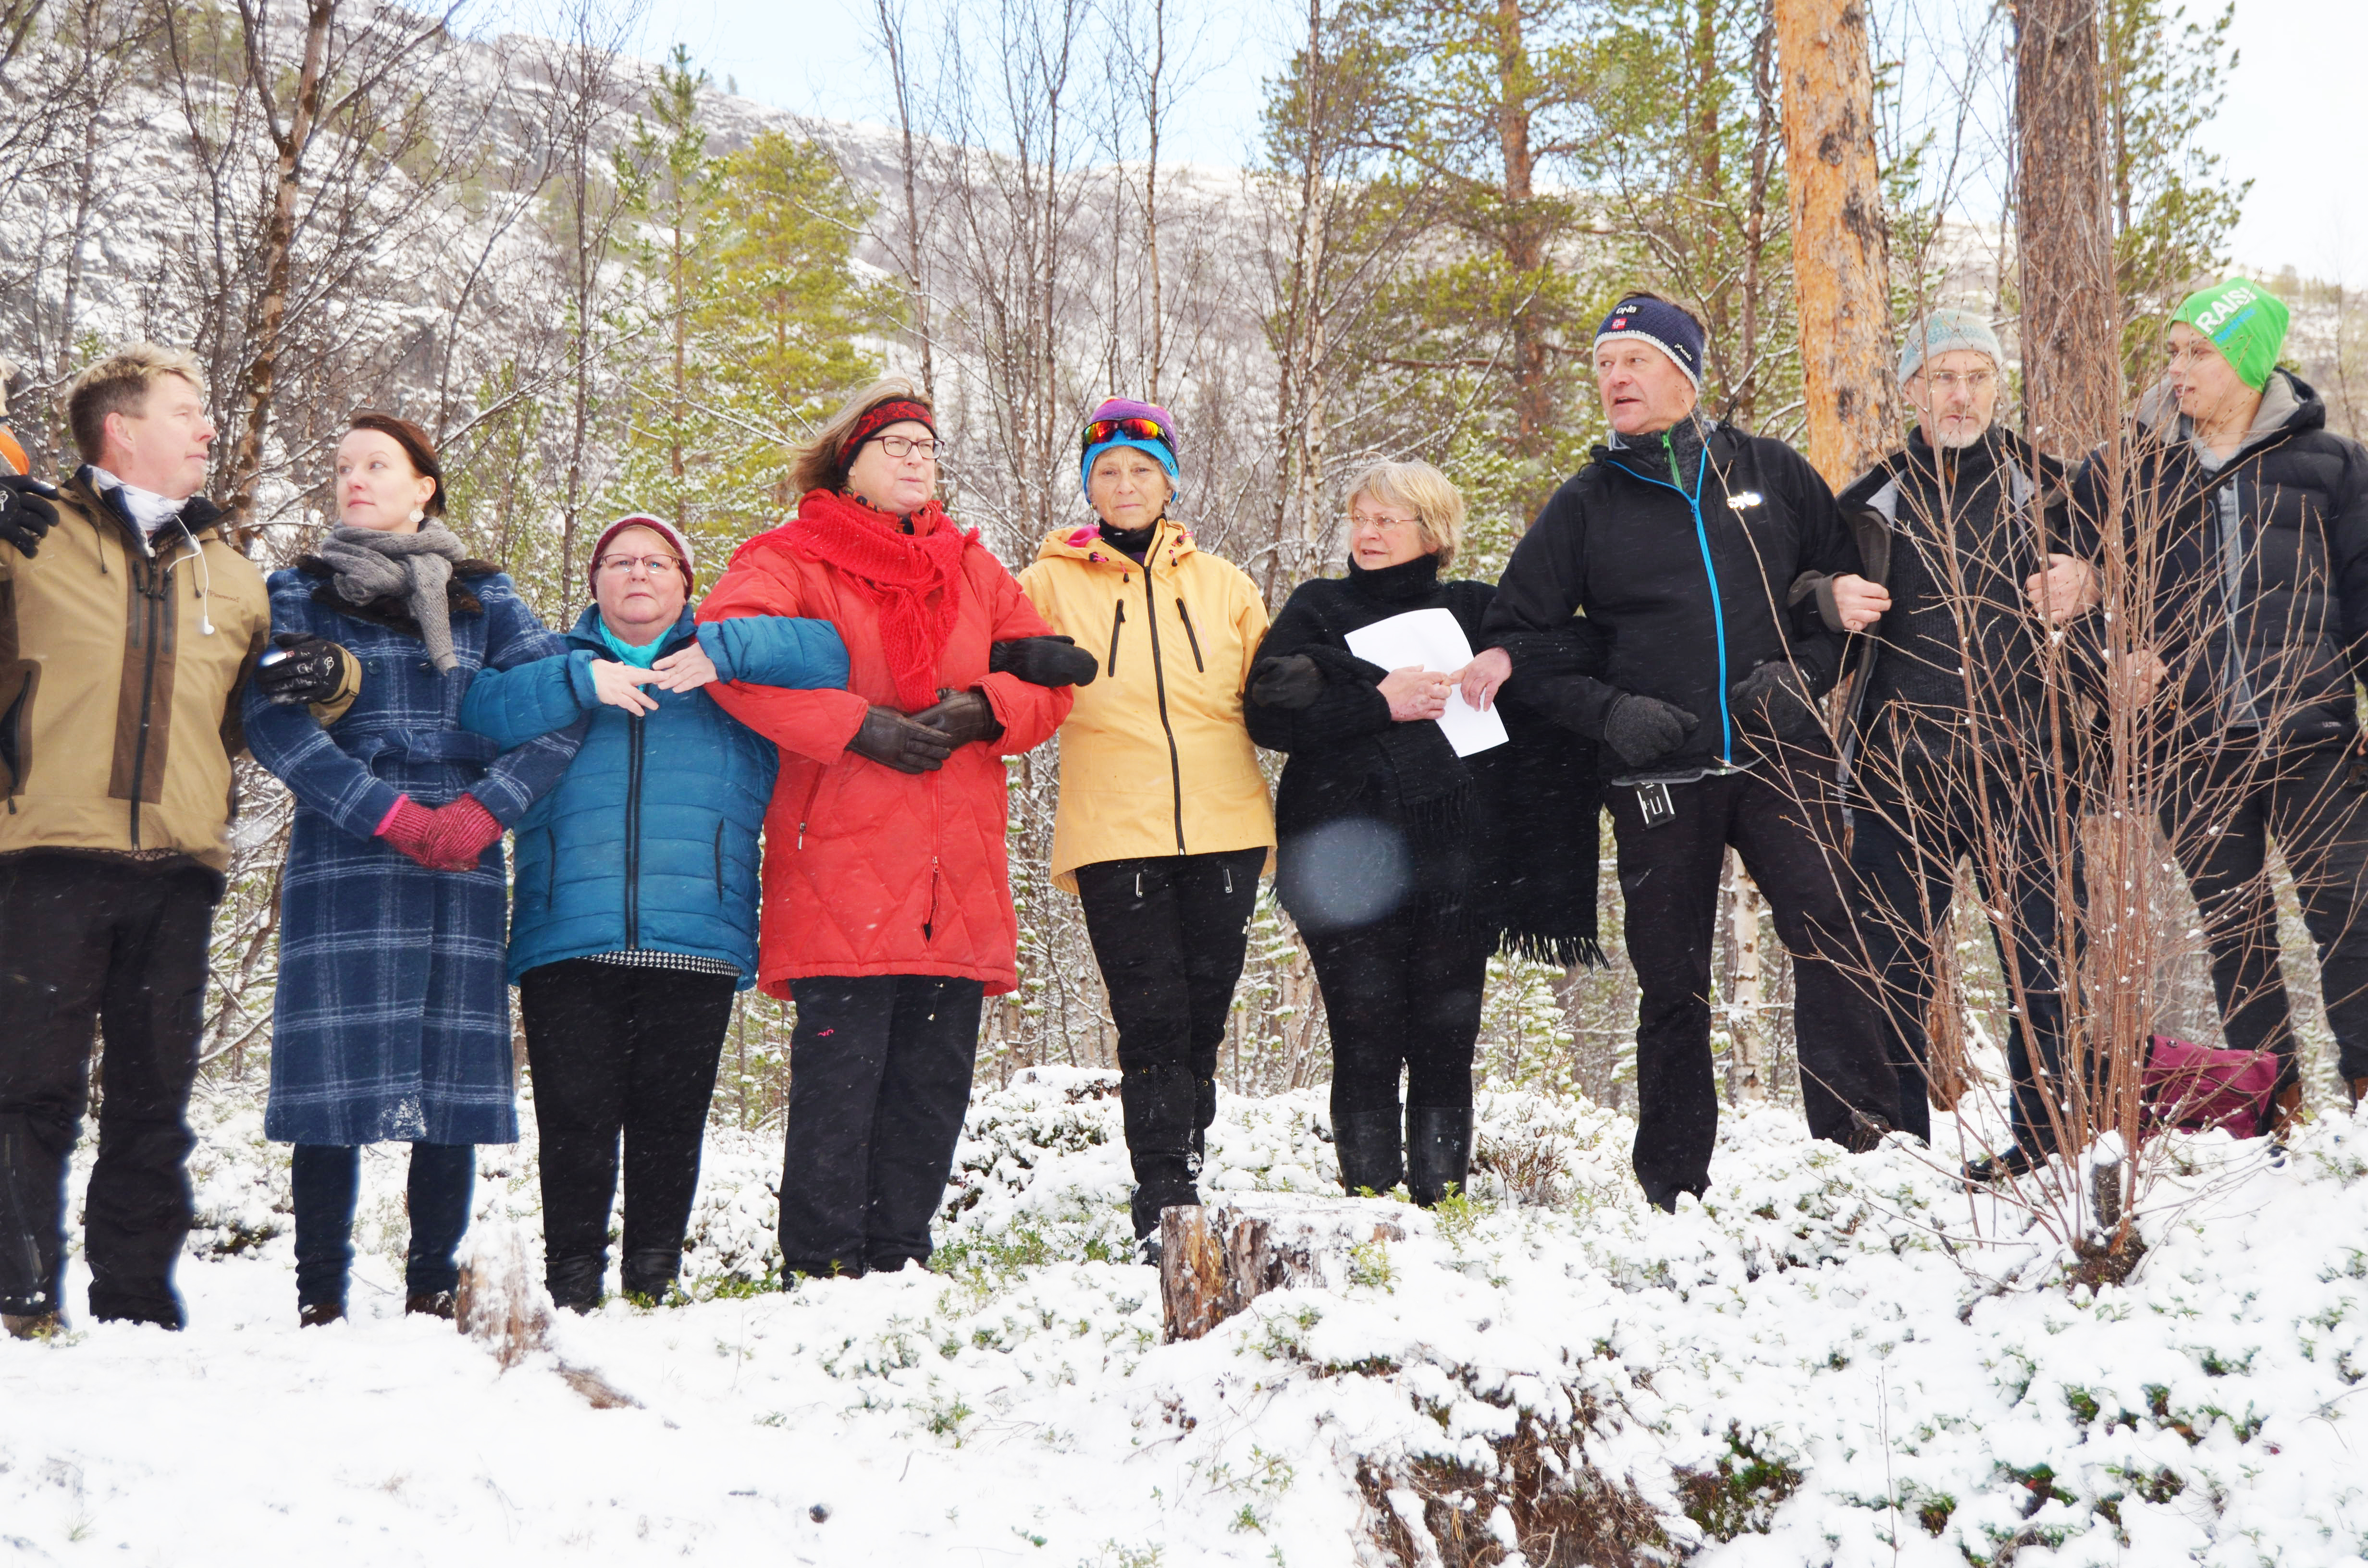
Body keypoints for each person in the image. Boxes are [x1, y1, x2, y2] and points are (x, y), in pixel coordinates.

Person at [1480, 291, 1899, 1210]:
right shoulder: (1587, 504)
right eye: (1602, 366)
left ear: (1684, 372)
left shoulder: (1770, 474)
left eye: (1633, 361)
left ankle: (1861, 1149)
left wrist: (1807, 676)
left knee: (1831, 932)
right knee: (1672, 979)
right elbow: (1519, 641)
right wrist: (1610, 713)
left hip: (1779, 750)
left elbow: (1839, 591)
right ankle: (1673, 1185)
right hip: (1656, 771)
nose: (1615, 379)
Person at [696, 379, 1073, 1281]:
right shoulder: (788, 558)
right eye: (896, 445)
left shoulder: (974, 568)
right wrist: (854, 725)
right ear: (850, 464)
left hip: (959, 863)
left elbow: (1050, 681)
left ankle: (902, 1259)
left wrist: (986, 710)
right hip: (841, 856)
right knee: (842, 1079)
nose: (917, 460)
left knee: (933, 1080)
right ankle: (823, 1267)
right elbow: (726, 657)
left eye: (928, 447)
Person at [245, 412, 583, 1326]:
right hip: (347, 843)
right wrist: (383, 811)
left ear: (424, 485)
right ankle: (321, 1295)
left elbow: (559, 711)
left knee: (451, 1072)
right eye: (343, 465)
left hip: (463, 852)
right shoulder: (299, 593)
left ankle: (432, 1287)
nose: (355, 479)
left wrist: (484, 810)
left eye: (378, 465)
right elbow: (270, 720)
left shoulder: (486, 598)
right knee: (331, 1074)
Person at [458, 514, 847, 1309]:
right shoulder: (553, 666)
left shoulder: (729, 676)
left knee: (671, 1118)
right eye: (619, 562)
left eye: (657, 563)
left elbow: (830, 654)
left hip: (696, 928)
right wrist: (579, 684)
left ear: (685, 583)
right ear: (594, 582)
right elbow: (479, 711)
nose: (638, 575)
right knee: (573, 1117)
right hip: (567, 931)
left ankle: (652, 1281)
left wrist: (726, 651)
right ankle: (572, 1283)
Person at [0, 345, 276, 1337]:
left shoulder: (234, 574)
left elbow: (249, 719)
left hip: (179, 869)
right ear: (121, 428)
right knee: (29, 1089)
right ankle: (21, 1291)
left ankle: (138, 1303)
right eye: (187, 410)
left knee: (156, 1102)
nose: (208, 428)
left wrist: (322, 683)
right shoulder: (27, 532)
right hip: (43, 855)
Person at [1248, 462, 1598, 1207]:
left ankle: (1443, 1207)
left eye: (1387, 520)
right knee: (1364, 1027)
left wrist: (1506, 657)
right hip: (1343, 859)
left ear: (1432, 533)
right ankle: (1372, 1204)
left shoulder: (1477, 608)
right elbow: (1269, 713)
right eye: (1360, 519)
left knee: (1447, 1036)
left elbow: (1581, 646)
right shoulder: (1319, 609)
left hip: (1457, 866)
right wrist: (1378, 703)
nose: (1368, 534)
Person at [1804, 310, 2097, 1177]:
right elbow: (1796, 599)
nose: (1959, 394)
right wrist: (1828, 598)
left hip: (2028, 765)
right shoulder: (1866, 502)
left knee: (2045, 964)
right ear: (1911, 391)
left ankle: (2046, 1151)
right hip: (1900, 772)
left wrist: (2096, 577)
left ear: (1999, 386)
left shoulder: (2054, 488)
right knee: (1889, 967)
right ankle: (1894, 1156)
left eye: (1975, 376)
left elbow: (2140, 587)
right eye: (1940, 377)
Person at [2075, 279, 2368, 1128]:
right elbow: (2053, 569)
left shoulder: (2337, 467)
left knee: (2350, 921)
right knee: (2236, 941)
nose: (2177, 369)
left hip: (2313, 735)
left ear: (2248, 359)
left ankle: (2362, 1096)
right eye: (2171, 352)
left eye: (2197, 351)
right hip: (2189, 748)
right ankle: (2271, 1114)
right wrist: (2109, 653)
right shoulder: (2126, 467)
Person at [1014, 399, 1273, 1255]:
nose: (1125, 484)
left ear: (1169, 481)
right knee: (1152, 1011)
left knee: (1205, 1012)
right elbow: (989, 653)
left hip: (1227, 822)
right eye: (1108, 471)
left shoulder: (1225, 583)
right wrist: (1020, 657)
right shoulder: (1047, 581)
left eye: (1141, 469)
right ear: (1089, 486)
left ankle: (1184, 1146)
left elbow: (1266, 694)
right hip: (1113, 827)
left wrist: (1303, 687)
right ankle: (1164, 1190)